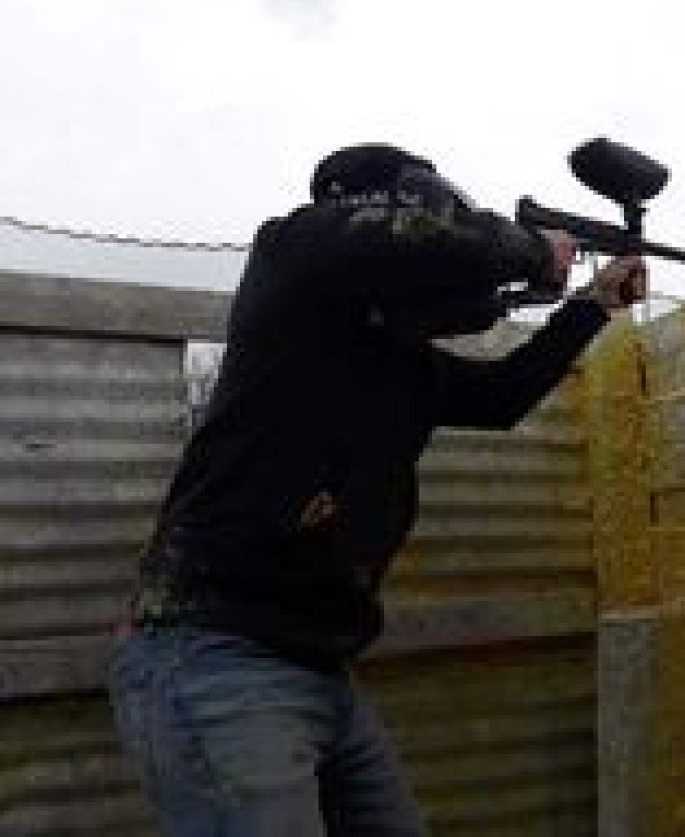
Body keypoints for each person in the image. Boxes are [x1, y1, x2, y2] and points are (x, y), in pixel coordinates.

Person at [106, 144, 647, 836]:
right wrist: (533, 250)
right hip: (213, 650)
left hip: (319, 666)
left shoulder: (399, 363)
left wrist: (593, 304)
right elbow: (428, 240)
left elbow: (502, 396)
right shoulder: (291, 251)